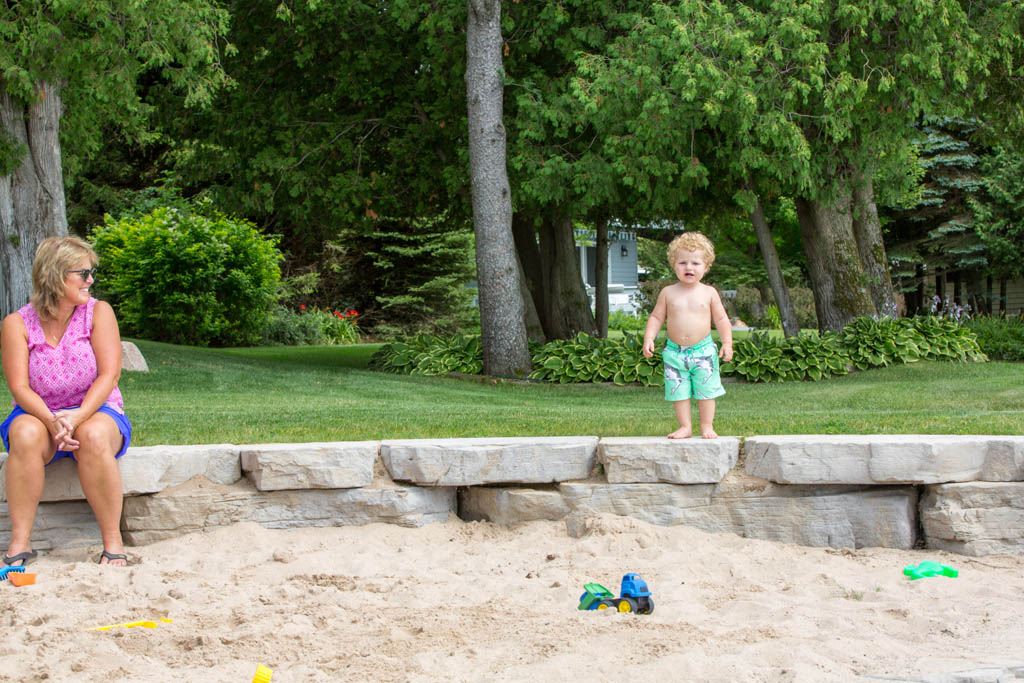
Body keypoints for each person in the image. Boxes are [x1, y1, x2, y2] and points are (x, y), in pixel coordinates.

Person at [1, 237, 132, 566]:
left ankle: (113, 543)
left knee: (94, 435)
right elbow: (19, 387)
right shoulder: (16, 324)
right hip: (38, 412)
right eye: (83, 273)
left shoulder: (98, 313)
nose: (91, 280)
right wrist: (52, 420)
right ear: (55, 276)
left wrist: (76, 418)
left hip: (96, 409)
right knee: (25, 435)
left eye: (91, 273)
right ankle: (19, 544)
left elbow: (109, 376)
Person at [642, 232, 733, 439]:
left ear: (706, 267)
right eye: (682, 262)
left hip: (703, 350)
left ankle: (707, 426)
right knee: (678, 389)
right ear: (674, 265)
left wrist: (727, 343)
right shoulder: (668, 292)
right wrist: (649, 338)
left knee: (706, 389)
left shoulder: (709, 292)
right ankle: (685, 426)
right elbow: (656, 317)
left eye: (695, 263)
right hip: (674, 352)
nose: (689, 267)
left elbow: (721, 320)